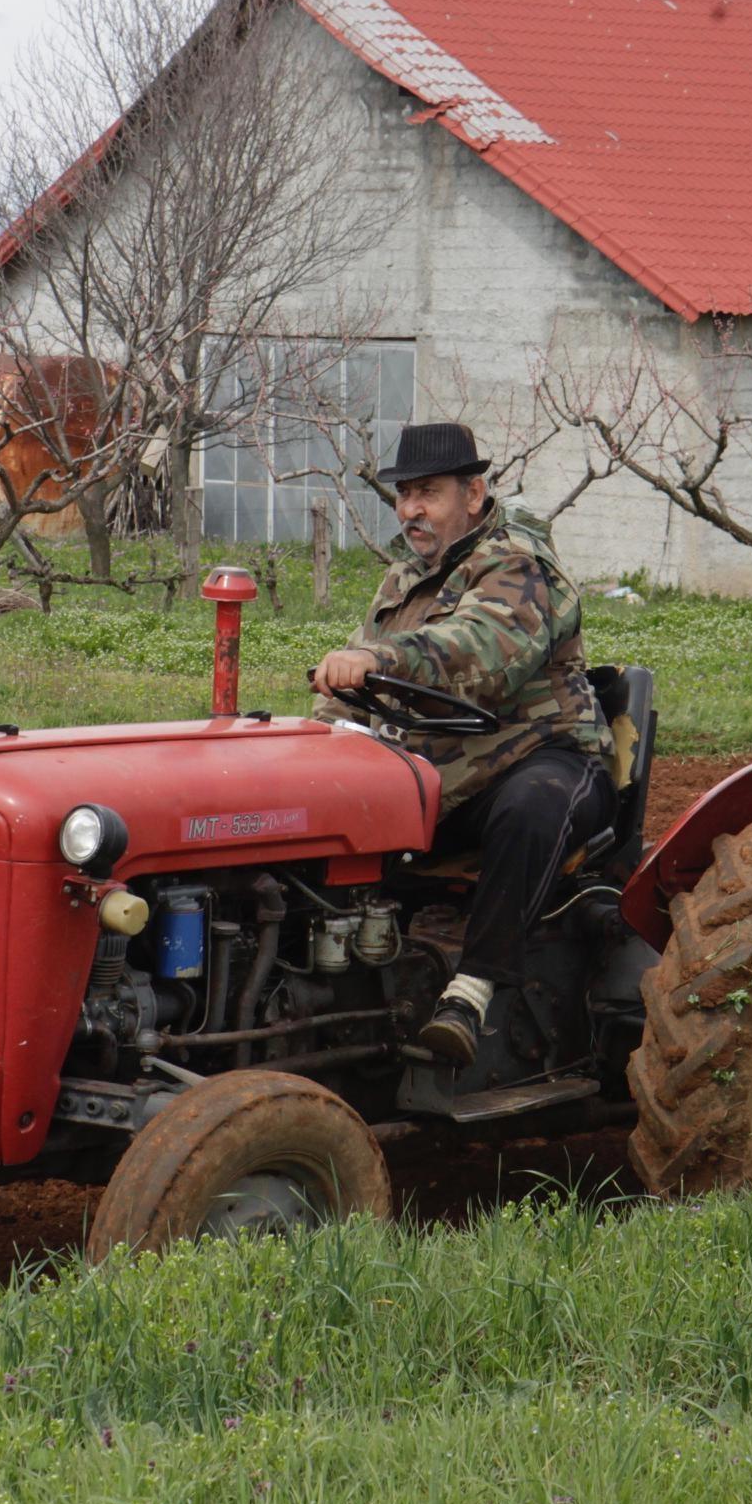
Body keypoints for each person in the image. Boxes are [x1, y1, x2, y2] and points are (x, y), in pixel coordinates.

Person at [310, 422, 612, 1065]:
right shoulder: (403, 582)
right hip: (444, 774)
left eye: (427, 493)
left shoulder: (522, 568)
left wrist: (378, 657)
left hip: (542, 752)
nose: (410, 510)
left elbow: (479, 652)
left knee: (531, 807)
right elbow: (350, 693)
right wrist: (325, 732)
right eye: (403, 495)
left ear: (472, 494)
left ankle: (471, 994)